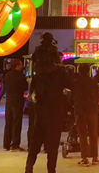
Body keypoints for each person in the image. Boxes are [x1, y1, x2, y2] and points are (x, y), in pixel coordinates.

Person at [25, 41, 70, 173]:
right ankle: (51, 170)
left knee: (35, 145)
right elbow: (68, 85)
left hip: (40, 113)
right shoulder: (60, 72)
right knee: (53, 147)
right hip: (55, 112)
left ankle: (28, 169)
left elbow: (32, 92)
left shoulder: (37, 73)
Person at [71, 63, 99, 167]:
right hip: (92, 111)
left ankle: (84, 158)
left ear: (79, 71)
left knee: (82, 134)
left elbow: (71, 98)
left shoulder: (75, 83)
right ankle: (95, 157)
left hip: (80, 112)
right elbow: (98, 96)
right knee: (93, 134)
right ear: (88, 71)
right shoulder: (93, 82)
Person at [3, 59, 28, 152]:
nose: (22, 66)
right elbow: (25, 87)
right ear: (17, 66)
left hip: (9, 100)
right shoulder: (20, 76)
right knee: (16, 123)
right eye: (20, 65)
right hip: (17, 101)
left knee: (8, 122)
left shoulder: (7, 75)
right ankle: (15, 145)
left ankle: (6, 144)